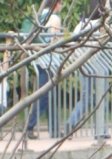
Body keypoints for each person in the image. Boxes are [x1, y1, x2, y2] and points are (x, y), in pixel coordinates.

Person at [65, 0, 111, 139]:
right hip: (94, 64)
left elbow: (73, 44)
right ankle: (100, 129)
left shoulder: (82, 24)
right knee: (100, 97)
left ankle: (74, 124)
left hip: (83, 63)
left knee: (87, 97)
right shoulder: (100, 26)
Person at [26, 0, 63, 139]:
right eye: (61, 3)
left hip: (41, 60)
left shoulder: (41, 16)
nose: (62, 6)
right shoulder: (54, 18)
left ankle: (53, 129)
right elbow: (55, 39)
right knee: (45, 97)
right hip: (51, 61)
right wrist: (69, 36)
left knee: (48, 96)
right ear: (56, 4)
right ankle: (30, 126)